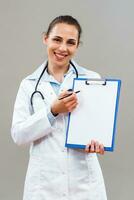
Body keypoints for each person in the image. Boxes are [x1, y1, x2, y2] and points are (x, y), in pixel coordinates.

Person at [11, 15, 107, 200]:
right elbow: (19, 135)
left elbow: (99, 129)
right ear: (45, 39)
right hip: (43, 184)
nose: (63, 48)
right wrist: (52, 111)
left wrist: (99, 142)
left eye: (71, 42)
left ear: (77, 46)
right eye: (57, 39)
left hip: (84, 183)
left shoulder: (92, 80)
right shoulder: (28, 85)